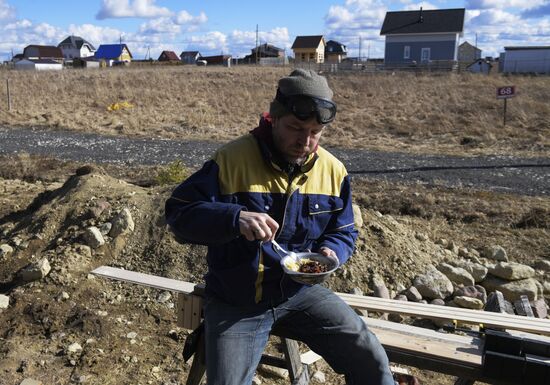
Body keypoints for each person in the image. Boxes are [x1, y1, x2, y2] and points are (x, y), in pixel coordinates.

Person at [165, 69, 394, 385]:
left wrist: (333, 252)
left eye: (316, 132)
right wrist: (234, 218)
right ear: (273, 118)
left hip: (300, 292)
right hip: (236, 299)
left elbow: (344, 230)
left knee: (372, 360)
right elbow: (179, 216)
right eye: (296, 128)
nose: (305, 141)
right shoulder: (232, 159)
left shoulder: (333, 170)